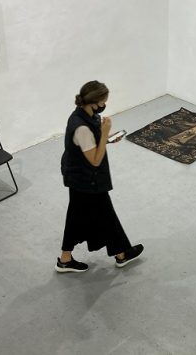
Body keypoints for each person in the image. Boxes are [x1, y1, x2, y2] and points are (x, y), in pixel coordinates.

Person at [56, 80, 143, 273]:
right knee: (105, 215)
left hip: (80, 176)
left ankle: (66, 259)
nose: (104, 105)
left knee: (78, 216)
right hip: (86, 179)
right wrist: (104, 135)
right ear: (94, 102)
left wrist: (107, 139)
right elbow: (95, 160)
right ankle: (121, 254)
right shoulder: (82, 127)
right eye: (103, 101)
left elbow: (90, 147)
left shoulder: (86, 115)